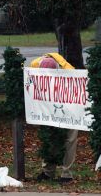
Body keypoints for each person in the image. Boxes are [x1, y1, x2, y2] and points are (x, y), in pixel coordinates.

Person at [31, 54, 79, 183]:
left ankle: (66, 174)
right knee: (49, 138)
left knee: (69, 139)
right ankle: (48, 172)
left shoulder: (70, 72)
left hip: (69, 109)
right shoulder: (34, 66)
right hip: (47, 107)